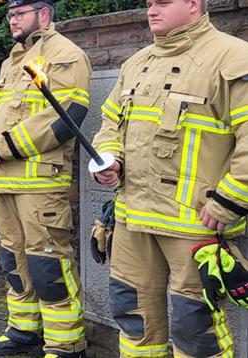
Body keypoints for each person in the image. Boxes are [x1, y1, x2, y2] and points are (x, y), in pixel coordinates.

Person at [91, 0, 248, 356]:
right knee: (132, 314)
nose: (151, 10)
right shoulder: (135, 64)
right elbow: (110, 123)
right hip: (132, 219)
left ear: (193, 4)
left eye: (162, 2)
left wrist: (230, 200)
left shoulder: (233, 57)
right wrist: (110, 158)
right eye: (149, 3)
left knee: (196, 327)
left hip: (194, 224)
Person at [0, 0, 92, 355]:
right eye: (10, 15)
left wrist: (4, 146)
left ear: (43, 14)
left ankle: (66, 344)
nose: (12, 21)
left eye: (20, 14)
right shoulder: (11, 62)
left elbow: (66, 116)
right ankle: (23, 329)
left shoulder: (66, 55)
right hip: (2, 183)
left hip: (40, 184)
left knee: (49, 265)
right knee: (13, 262)